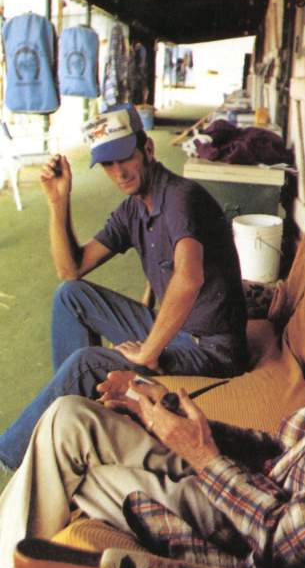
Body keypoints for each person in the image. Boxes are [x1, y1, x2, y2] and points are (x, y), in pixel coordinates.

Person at [0, 205, 305, 568]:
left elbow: (290, 547)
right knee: (70, 417)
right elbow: (279, 447)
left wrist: (202, 455)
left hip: (238, 535)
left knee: (70, 475)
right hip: (242, 485)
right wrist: (166, 415)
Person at [0, 104, 247, 471]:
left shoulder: (181, 198)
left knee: (86, 364)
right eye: (108, 164)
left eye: (124, 159)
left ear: (147, 150)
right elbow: (72, 270)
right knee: (70, 297)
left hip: (211, 348)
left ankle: (11, 454)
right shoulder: (134, 208)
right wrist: (58, 202)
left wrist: (148, 351)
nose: (118, 173)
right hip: (175, 329)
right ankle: (80, 417)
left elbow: (189, 277)